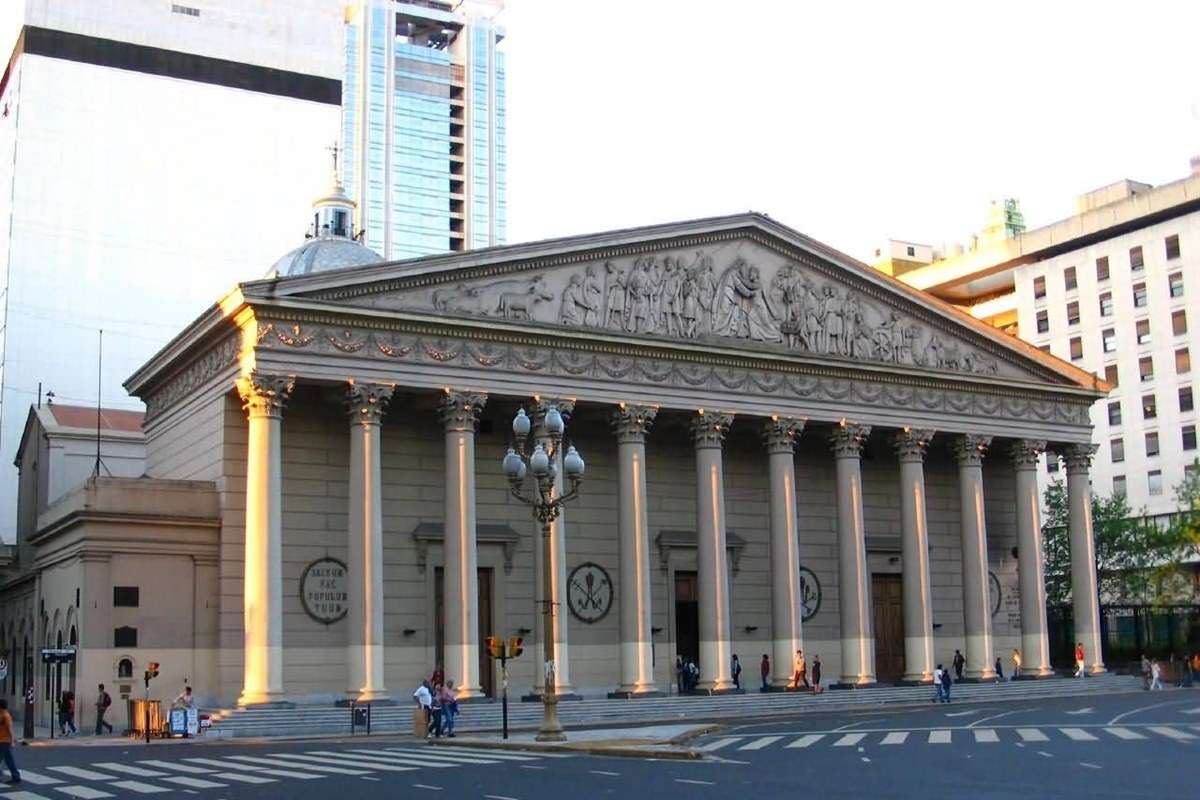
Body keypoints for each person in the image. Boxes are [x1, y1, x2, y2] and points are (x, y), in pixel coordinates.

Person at [0, 698, 20, 785]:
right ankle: (16, 777)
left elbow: (10, 728)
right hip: (3, 740)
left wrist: (12, 741)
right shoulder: (2, 714)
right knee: (9, 760)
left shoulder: (6, 716)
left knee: (7, 759)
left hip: (4, 741)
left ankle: (15, 777)